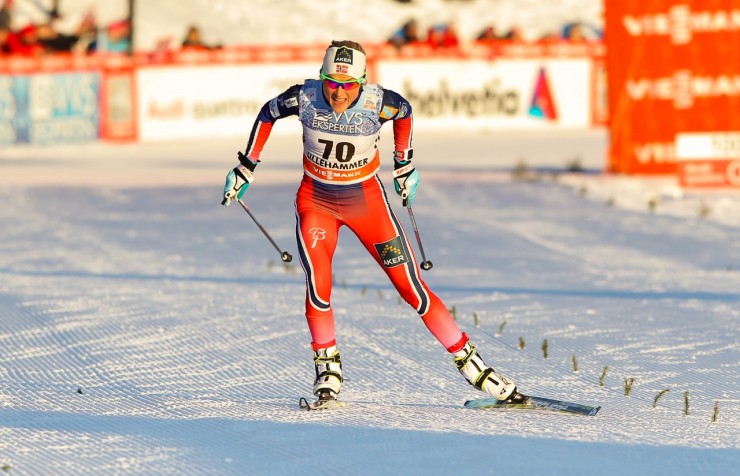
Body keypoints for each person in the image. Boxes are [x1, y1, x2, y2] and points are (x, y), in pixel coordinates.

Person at [222, 40, 518, 405]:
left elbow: (405, 112)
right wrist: (246, 165)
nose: (339, 92)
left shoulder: (380, 102)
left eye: (349, 85)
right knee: (318, 286)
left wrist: (404, 162)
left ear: (362, 81)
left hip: (367, 204)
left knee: (412, 288)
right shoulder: (304, 97)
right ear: (321, 78)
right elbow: (267, 114)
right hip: (317, 203)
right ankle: (327, 366)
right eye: (332, 82)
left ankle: (471, 364)